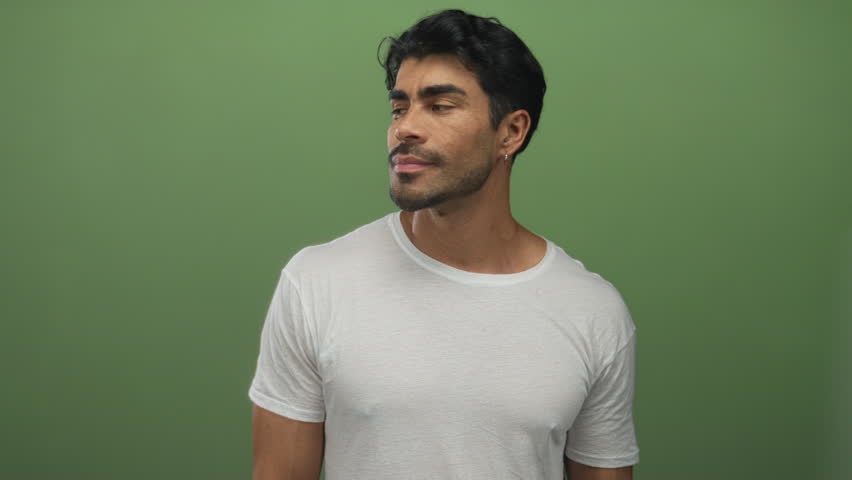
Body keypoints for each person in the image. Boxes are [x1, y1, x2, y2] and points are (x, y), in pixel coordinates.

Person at [249, 9, 639, 480]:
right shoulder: (315, 282)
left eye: (439, 106)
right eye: (400, 107)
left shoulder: (593, 312)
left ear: (511, 133)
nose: (405, 128)